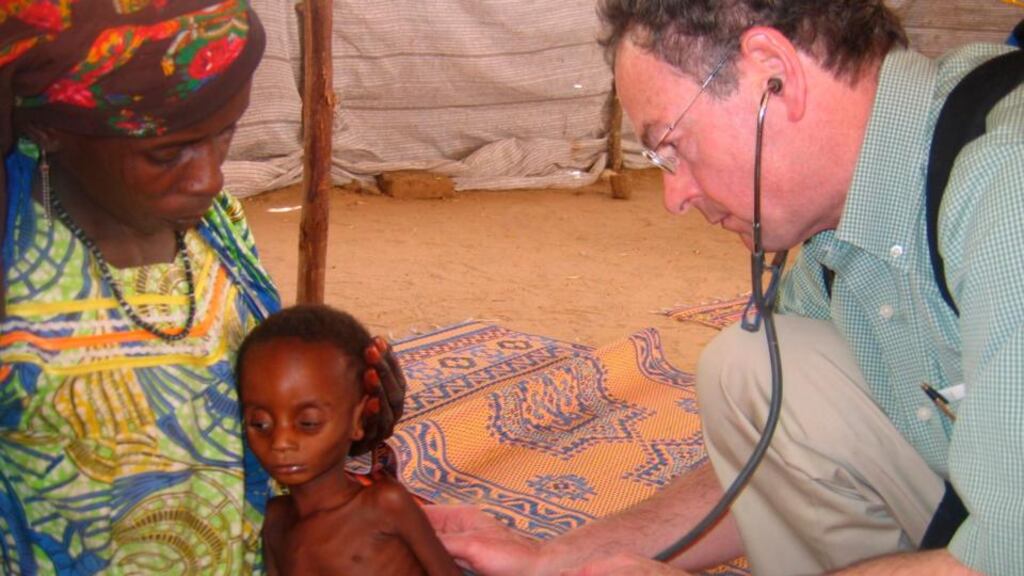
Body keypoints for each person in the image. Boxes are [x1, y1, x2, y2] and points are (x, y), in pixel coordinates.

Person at [426, 2, 1023, 575]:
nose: (675, 197)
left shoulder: (1008, 184)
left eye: (673, 146)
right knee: (753, 371)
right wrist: (554, 557)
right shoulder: (841, 230)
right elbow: (765, 470)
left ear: (772, 73)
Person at [0, 2, 405, 573]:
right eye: (167, 153)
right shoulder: (16, 263)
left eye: (225, 134)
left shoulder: (218, 229)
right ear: (49, 130)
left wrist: (342, 424)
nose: (209, 178)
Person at [236, 304, 461, 576]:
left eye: (308, 423)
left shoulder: (384, 505)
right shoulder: (275, 522)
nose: (280, 442)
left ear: (358, 419)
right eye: (260, 424)